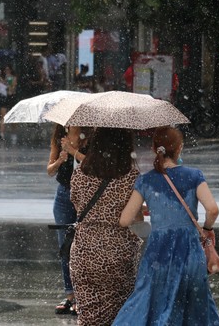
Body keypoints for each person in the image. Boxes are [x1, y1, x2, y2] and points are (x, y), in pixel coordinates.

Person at [114, 126, 219, 325]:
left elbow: (124, 220)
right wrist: (207, 228)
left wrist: (153, 208)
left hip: (158, 253)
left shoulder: (146, 180)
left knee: (149, 300)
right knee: (193, 306)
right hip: (189, 252)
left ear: (155, 149)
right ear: (179, 148)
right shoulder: (194, 176)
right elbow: (213, 209)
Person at [69, 127, 142, 325]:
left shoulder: (80, 174)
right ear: (126, 146)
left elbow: (76, 204)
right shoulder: (131, 177)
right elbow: (136, 220)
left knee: (88, 315)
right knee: (119, 315)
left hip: (84, 251)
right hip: (118, 253)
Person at [47, 124, 90, 316]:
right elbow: (49, 170)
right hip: (64, 194)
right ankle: (70, 295)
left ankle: (84, 295)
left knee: (84, 246)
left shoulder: (89, 136)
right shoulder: (59, 136)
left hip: (86, 196)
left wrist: (73, 152)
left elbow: (93, 164)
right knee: (65, 247)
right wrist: (60, 160)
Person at [0, 64, 18, 140]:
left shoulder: (13, 78)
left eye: (8, 69)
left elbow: (12, 88)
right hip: (4, 97)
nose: (7, 71)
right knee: (3, 116)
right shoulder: (1, 78)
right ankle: (2, 133)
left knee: (13, 116)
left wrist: (8, 83)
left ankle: (14, 132)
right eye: (5, 70)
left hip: (11, 97)